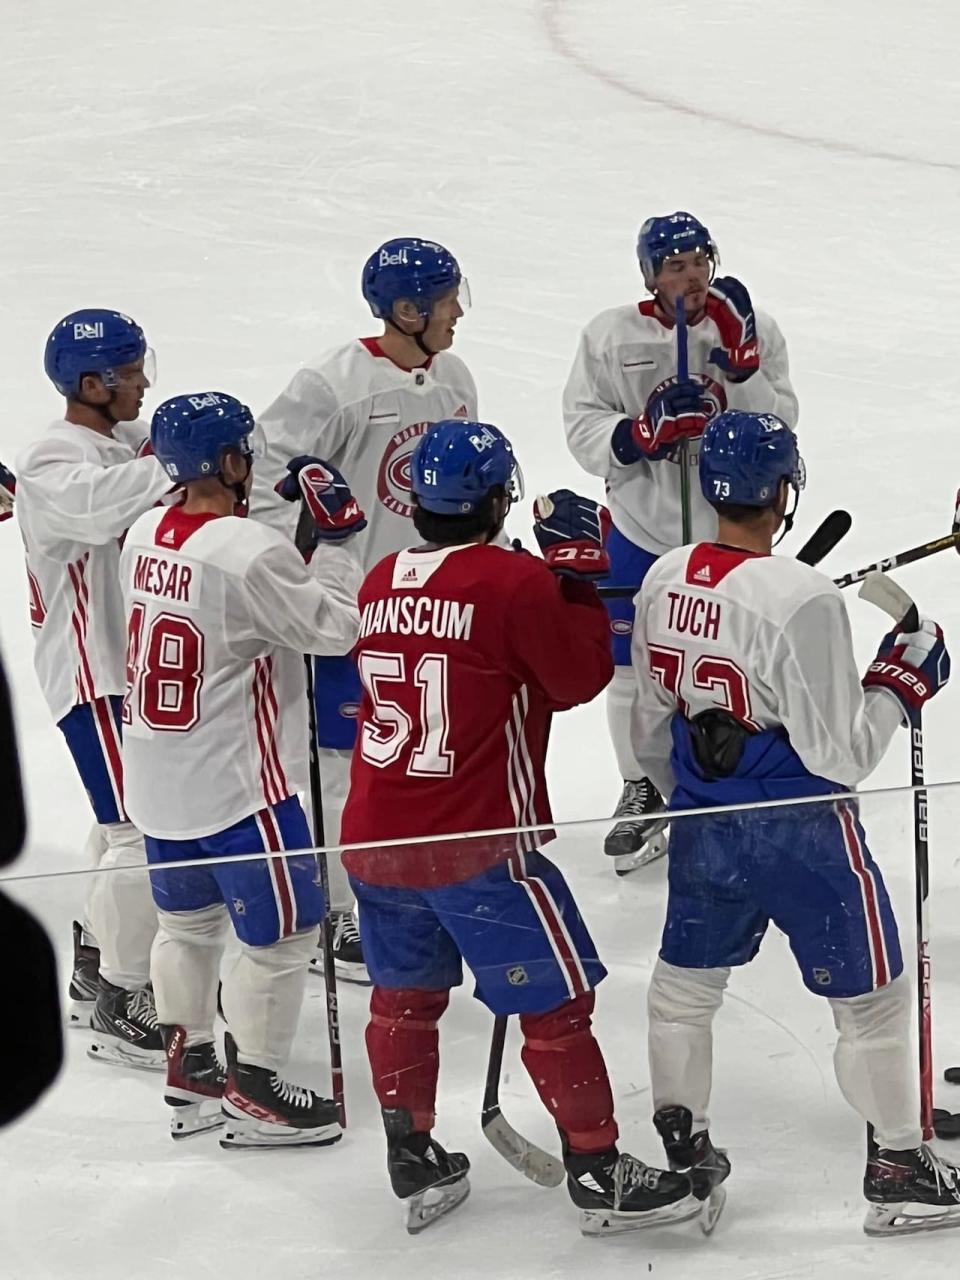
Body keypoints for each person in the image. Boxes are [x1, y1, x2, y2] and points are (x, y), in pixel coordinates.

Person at [339, 418, 696, 1235]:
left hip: (373, 837)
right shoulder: (512, 583)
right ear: (499, 498)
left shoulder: (382, 575)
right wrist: (576, 576)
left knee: (403, 1000)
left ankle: (411, 1150)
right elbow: (577, 674)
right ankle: (597, 1164)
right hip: (476, 845)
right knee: (559, 1005)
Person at [631, 409, 960, 1236]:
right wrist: (900, 682)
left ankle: (686, 1149)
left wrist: (696, 790)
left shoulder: (664, 574)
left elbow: (649, 721)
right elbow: (841, 754)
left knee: (681, 995)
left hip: (706, 820)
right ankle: (900, 1166)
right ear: (783, 491)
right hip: (800, 828)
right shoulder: (803, 597)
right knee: (874, 1001)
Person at [119, 392, 363, 1147]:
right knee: (286, 935)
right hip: (239, 788)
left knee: (186, 928)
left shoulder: (141, 533)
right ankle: (256, 1085)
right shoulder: (247, 552)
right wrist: (342, 540)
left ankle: (189, 1065)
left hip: (157, 782)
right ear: (229, 462)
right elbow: (334, 628)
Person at [250, 237, 479, 981]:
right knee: (336, 766)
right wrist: (312, 567)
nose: (457, 313)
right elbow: (259, 485)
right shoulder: (332, 384)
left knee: (410, 753)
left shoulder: (454, 377)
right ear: (408, 310)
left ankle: (389, 891)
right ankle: (332, 913)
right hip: (350, 613)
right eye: (446, 300)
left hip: (424, 607)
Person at [563, 212, 798, 874]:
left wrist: (744, 364)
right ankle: (641, 786)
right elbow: (582, 428)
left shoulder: (751, 327)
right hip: (642, 532)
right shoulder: (612, 336)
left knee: (735, 664)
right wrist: (639, 435)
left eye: (700, 261)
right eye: (675, 265)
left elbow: (783, 424)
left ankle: (741, 784)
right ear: (649, 274)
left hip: (734, 533)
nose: (692, 276)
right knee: (632, 672)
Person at [15, 309, 171, 1068]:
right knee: (137, 834)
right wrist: (178, 457)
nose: (146, 382)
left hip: (128, 671)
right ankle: (119, 995)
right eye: (132, 372)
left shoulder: (121, 442)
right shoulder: (53, 458)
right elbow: (99, 505)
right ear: (92, 384)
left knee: (121, 829)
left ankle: (95, 953)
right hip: (94, 677)